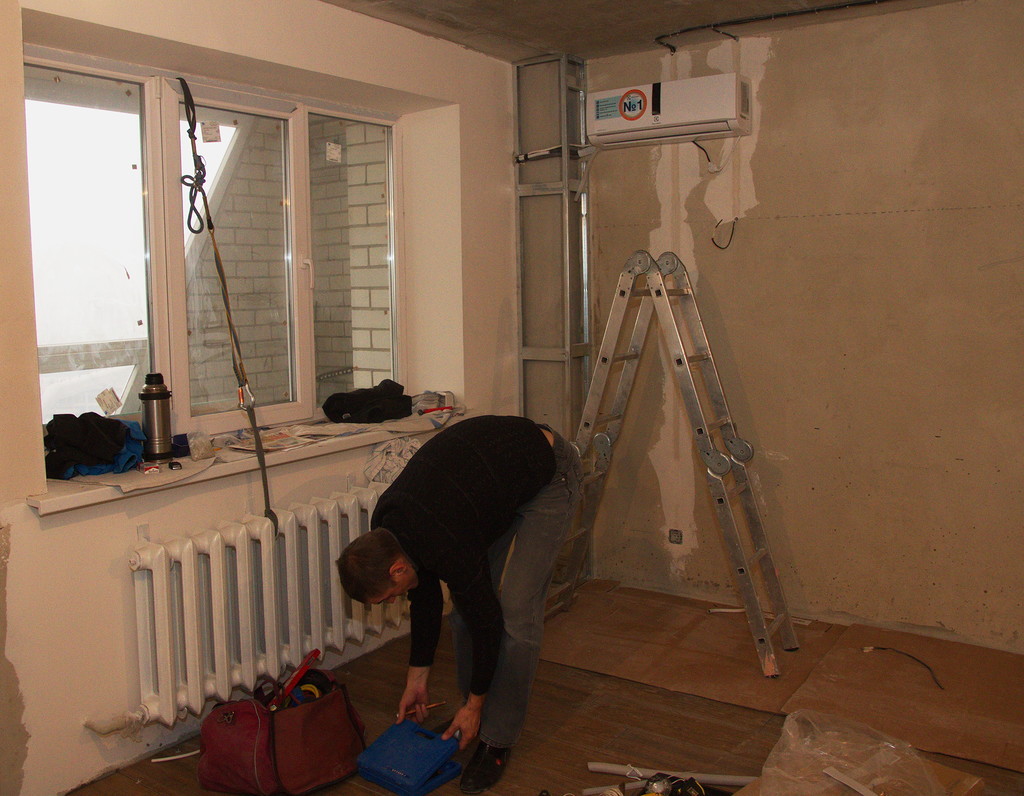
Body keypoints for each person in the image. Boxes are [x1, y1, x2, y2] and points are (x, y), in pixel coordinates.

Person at [337, 414, 582, 793]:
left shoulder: (444, 539)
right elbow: (425, 595)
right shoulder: (388, 526)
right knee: (464, 616)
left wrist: (476, 705)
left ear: (397, 569)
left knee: (515, 614)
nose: (394, 600)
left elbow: (488, 620)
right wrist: (417, 678)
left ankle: (496, 739)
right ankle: (472, 713)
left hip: (550, 474)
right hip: (493, 484)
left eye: (389, 595)